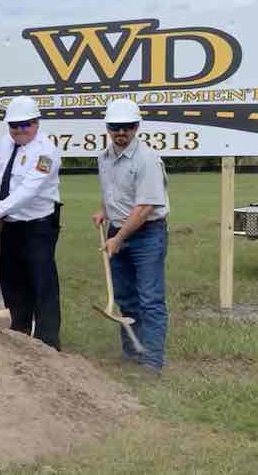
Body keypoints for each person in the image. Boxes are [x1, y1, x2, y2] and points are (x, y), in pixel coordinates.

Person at [0, 95, 63, 350]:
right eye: (14, 125)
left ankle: (48, 342)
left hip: (39, 224)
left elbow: (28, 191)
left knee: (42, 281)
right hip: (12, 224)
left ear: (37, 122)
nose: (20, 130)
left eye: (26, 124)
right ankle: (20, 332)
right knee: (11, 277)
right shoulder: (6, 143)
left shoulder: (47, 152)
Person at [92, 99, 169, 375]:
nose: (120, 132)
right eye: (115, 127)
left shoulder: (146, 159)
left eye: (126, 127)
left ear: (136, 127)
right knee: (125, 296)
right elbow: (111, 190)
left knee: (150, 298)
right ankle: (132, 353)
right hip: (117, 231)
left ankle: (152, 361)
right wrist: (103, 210)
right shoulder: (104, 157)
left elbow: (144, 207)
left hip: (147, 234)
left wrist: (118, 238)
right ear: (108, 128)